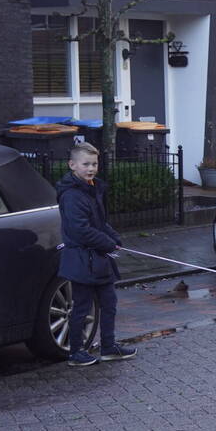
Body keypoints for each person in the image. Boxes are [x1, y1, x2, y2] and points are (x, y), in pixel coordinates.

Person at [56, 143, 136, 366]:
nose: (91, 168)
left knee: (109, 303)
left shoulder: (92, 188)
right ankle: (76, 353)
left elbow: (99, 223)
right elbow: (80, 230)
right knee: (81, 307)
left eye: (94, 164)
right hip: (81, 259)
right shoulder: (72, 195)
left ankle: (109, 346)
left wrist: (114, 238)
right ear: (72, 165)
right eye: (86, 164)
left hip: (99, 259)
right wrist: (108, 243)